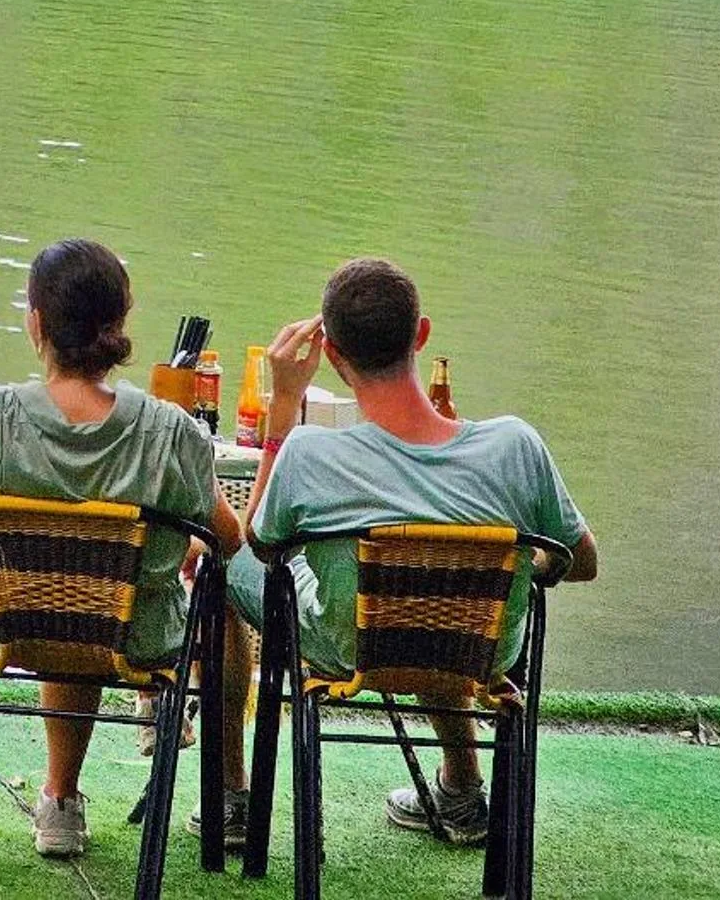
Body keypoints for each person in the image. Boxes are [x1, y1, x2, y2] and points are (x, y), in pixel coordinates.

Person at [224, 256, 599, 848]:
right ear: (422, 334)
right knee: (444, 596)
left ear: (337, 359)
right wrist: (529, 567)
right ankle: (461, 788)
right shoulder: (515, 446)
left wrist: (281, 414)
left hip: (352, 644)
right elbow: (583, 561)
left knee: (225, 564)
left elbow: (262, 543)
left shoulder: (309, 454)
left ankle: (232, 801)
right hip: (477, 648)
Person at [0, 237, 243, 861]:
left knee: (62, 600)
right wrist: (177, 539)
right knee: (110, 603)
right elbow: (229, 538)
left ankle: (59, 801)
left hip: (10, 628)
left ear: (36, 323)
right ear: (120, 328)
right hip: (137, 637)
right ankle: (223, 793)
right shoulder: (171, 431)